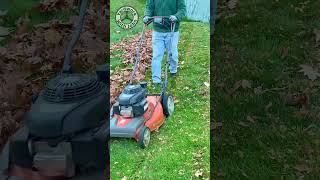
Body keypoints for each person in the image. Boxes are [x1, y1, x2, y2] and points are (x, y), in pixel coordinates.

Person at [143, 0, 186, 87]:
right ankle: (156, 80)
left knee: (172, 53)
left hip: (172, 29)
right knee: (157, 55)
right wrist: (147, 16)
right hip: (158, 31)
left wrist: (176, 16)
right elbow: (149, 7)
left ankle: (173, 70)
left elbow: (182, 9)